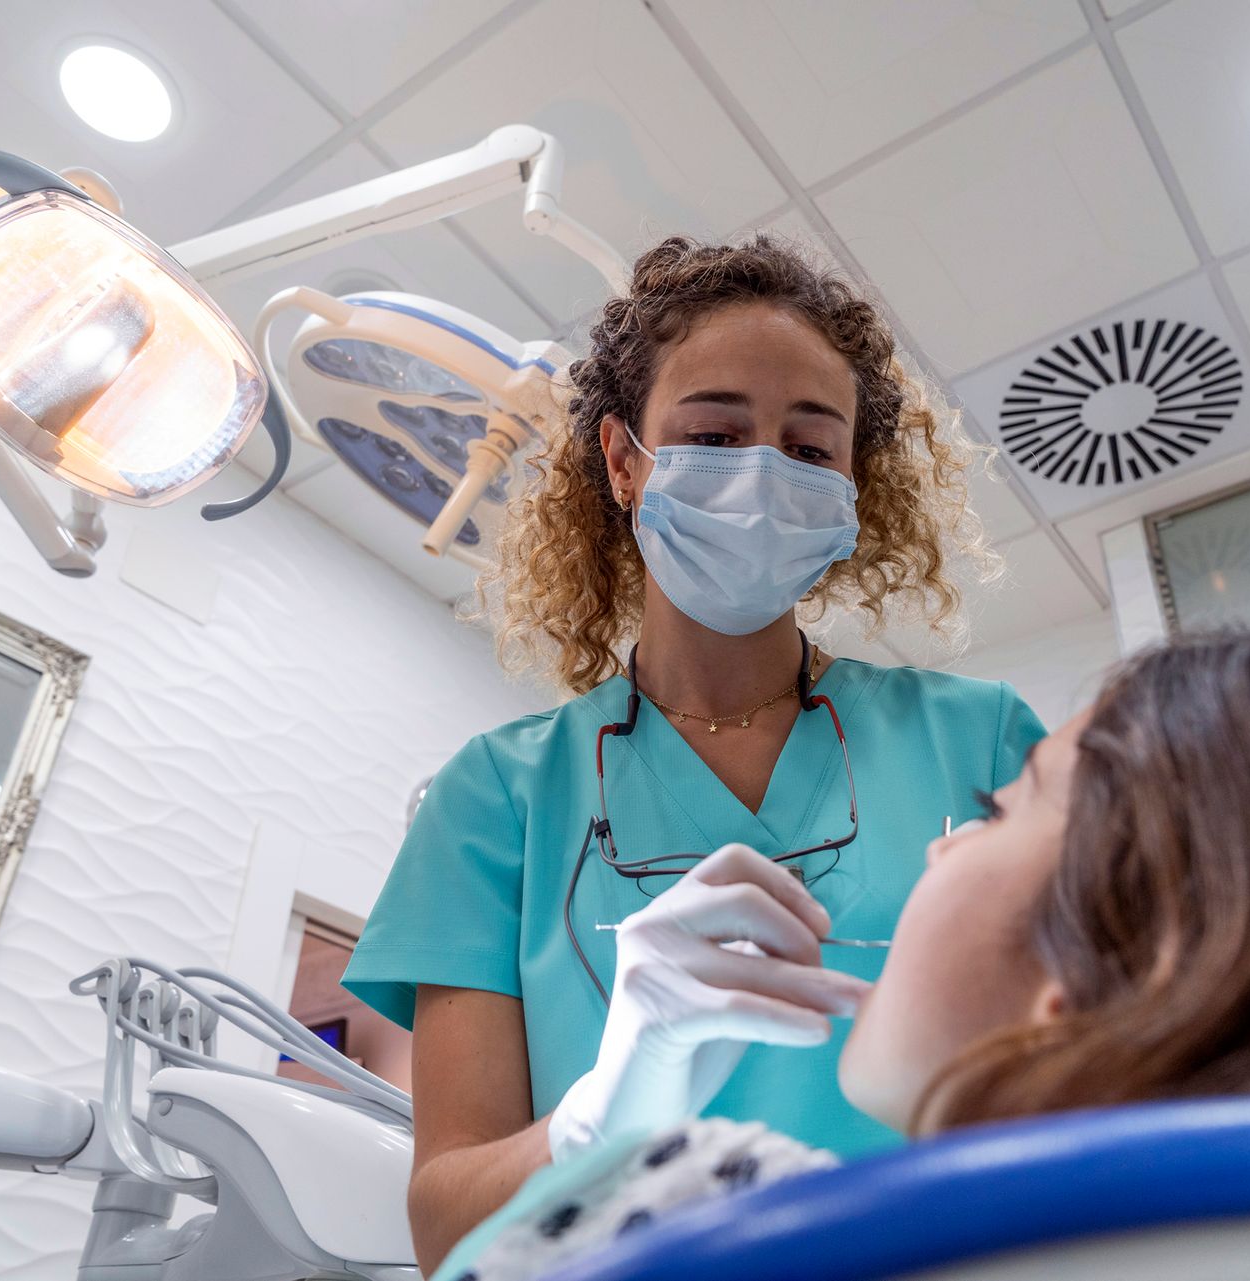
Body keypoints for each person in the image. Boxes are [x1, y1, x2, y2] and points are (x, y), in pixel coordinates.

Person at [429, 625, 1250, 1281]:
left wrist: (614, 1147)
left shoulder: (697, 1197)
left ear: (1132, 974)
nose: (934, 853)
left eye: (1004, 811)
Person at [341, 235, 1046, 1272]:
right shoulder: (497, 794)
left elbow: (1105, 1063)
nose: (763, 474)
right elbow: (446, 1229)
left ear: (854, 490)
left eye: (810, 450)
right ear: (626, 463)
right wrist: (594, 1125)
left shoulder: (978, 740)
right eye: (715, 434)